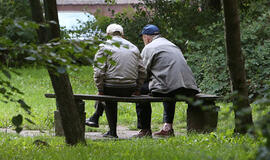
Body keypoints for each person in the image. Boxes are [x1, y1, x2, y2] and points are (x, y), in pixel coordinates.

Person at [133, 24, 200, 138]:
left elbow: (142, 73)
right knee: (169, 85)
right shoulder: (173, 45)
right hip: (189, 87)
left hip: (170, 87)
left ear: (147, 38)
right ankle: (167, 128)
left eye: (143, 38)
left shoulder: (149, 47)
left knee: (141, 89)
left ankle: (144, 130)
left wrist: (136, 87)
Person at [86, 23, 146, 138]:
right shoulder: (133, 47)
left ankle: (109, 129)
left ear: (108, 35)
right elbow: (142, 71)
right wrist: (138, 88)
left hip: (111, 87)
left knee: (107, 94)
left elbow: (98, 72)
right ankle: (95, 117)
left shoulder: (104, 46)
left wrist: (100, 89)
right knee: (108, 92)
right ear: (122, 35)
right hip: (130, 88)